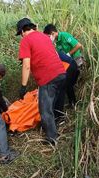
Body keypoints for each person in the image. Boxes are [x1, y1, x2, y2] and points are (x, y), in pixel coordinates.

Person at [16, 18, 66, 146]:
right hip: (61, 73)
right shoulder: (44, 36)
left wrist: (23, 86)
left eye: (20, 33)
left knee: (45, 110)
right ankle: (58, 125)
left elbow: (26, 65)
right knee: (54, 103)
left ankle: (52, 139)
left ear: (22, 31)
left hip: (48, 78)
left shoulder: (26, 40)